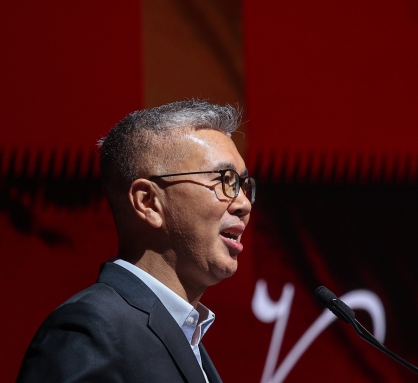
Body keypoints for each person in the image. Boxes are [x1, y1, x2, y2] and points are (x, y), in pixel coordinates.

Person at [17, 100, 254, 383]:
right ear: (148, 202)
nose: (243, 203)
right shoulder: (90, 331)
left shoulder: (185, 336)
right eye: (225, 180)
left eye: (243, 185)